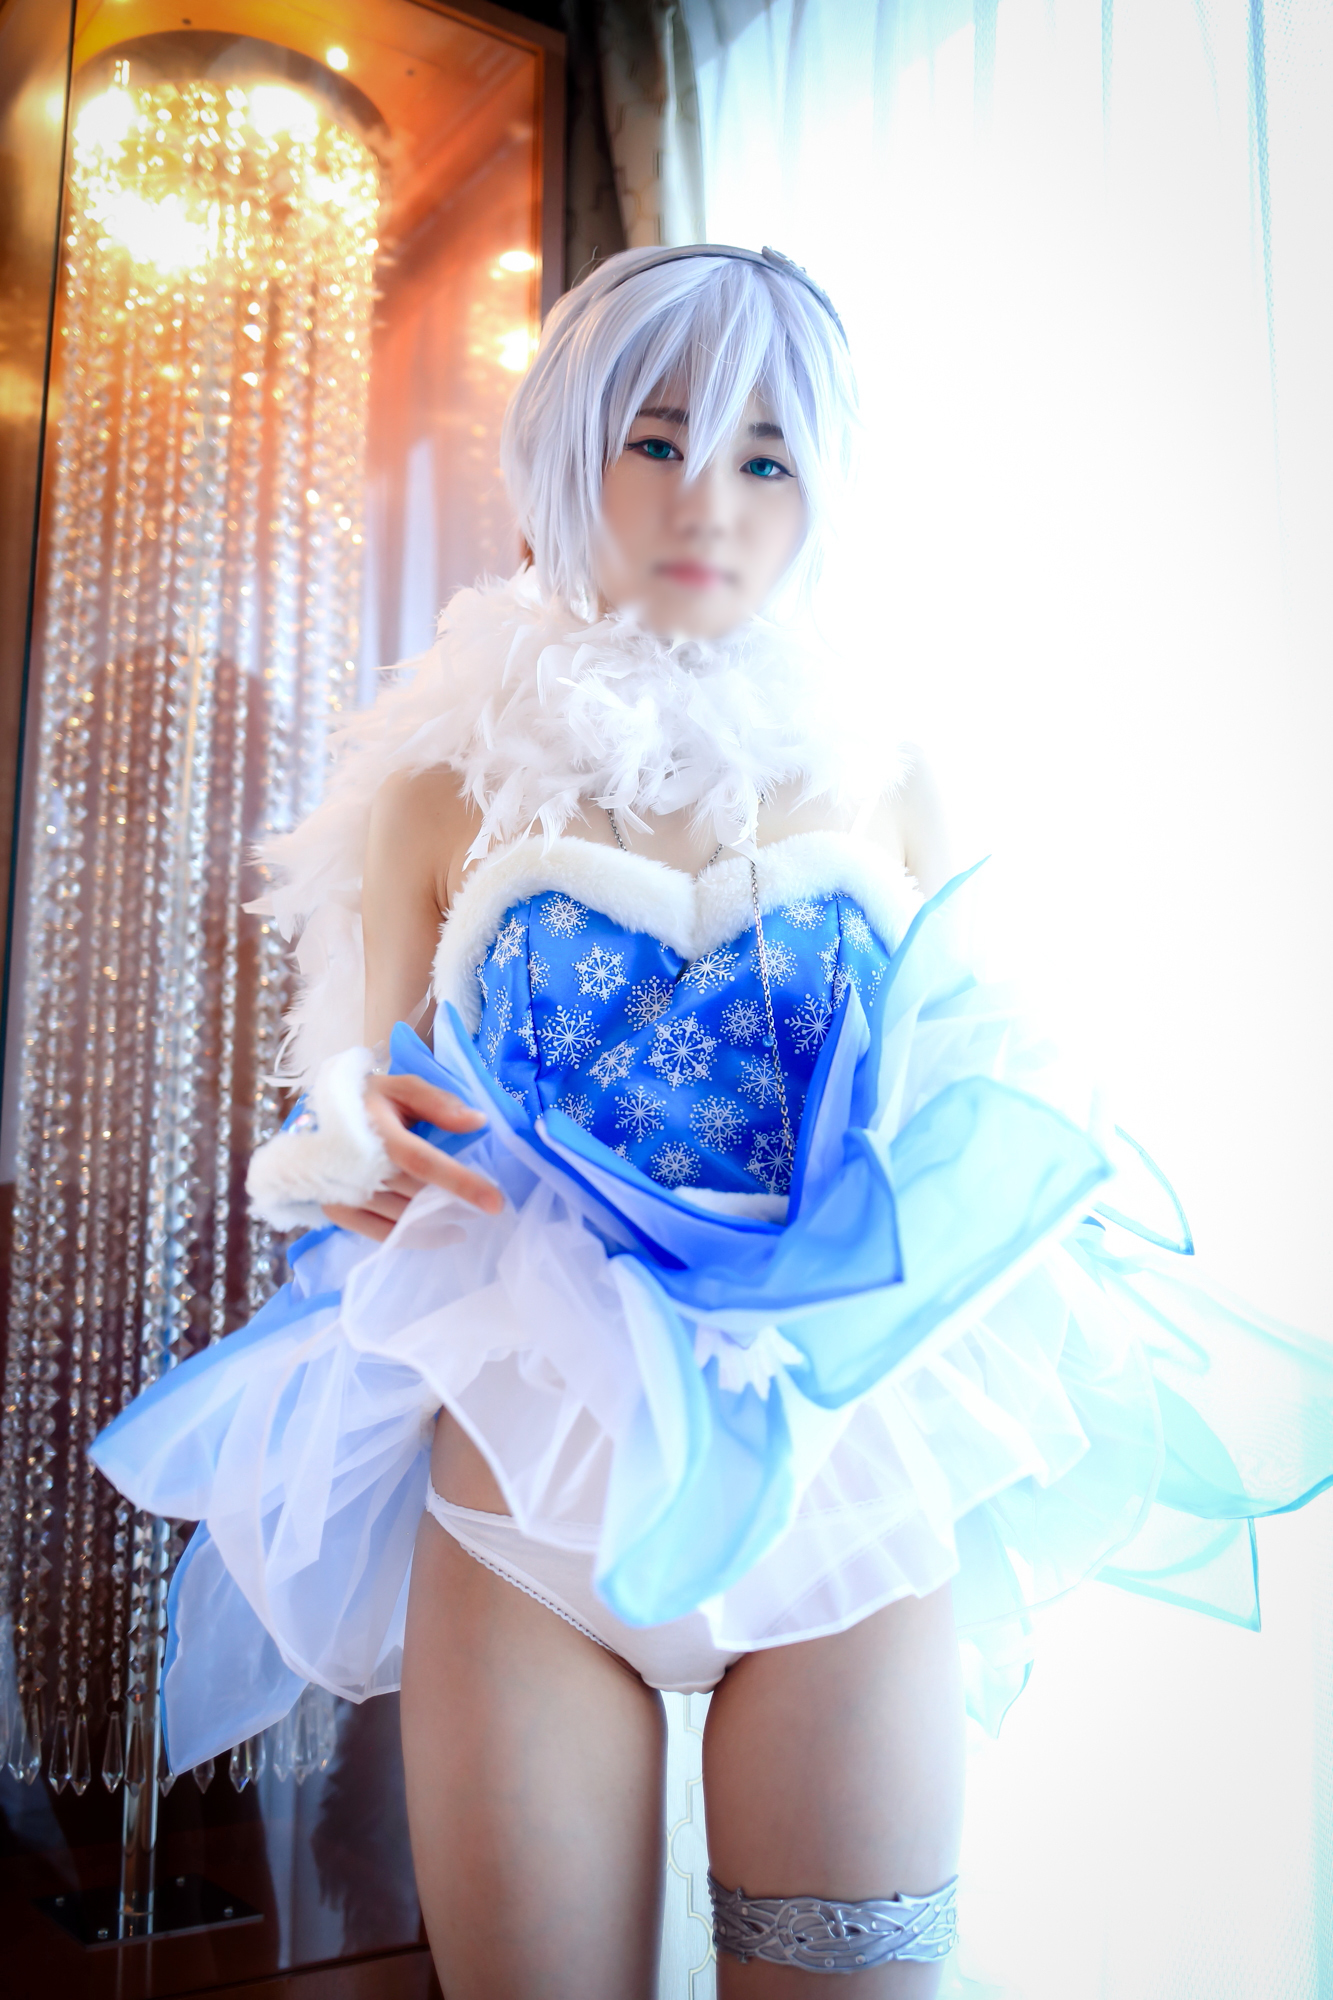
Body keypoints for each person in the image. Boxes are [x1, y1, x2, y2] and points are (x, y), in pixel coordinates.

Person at [92, 246, 1333, 1998]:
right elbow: (350, 1088)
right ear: (566, 454)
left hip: (842, 1482)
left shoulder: (884, 767)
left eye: (766, 456)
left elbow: (990, 1069)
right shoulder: (435, 787)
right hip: (525, 1488)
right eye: (657, 441)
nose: (709, 501)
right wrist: (349, 1147)